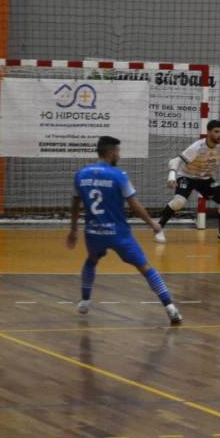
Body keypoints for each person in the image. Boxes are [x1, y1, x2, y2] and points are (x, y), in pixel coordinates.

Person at [68, 136, 182, 325]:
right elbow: (134, 206)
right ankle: (170, 308)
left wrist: (72, 230)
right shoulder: (119, 176)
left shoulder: (81, 174)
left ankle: (85, 301)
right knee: (146, 268)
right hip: (119, 234)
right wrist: (152, 224)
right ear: (111, 152)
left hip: (94, 233)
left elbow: (74, 204)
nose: (119, 155)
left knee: (91, 261)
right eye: (118, 151)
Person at [154, 119, 220, 243]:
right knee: (178, 202)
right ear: (208, 132)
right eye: (216, 131)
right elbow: (175, 161)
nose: (219, 135)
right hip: (187, 176)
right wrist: (172, 176)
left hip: (205, 179)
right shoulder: (197, 147)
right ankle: (158, 229)